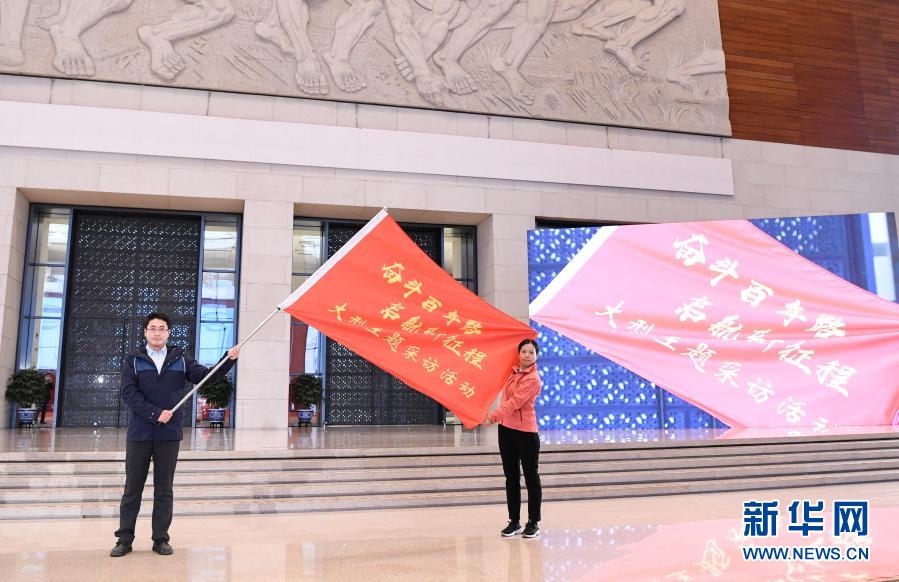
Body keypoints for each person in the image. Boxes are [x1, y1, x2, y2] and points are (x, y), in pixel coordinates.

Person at [110, 312, 240, 558]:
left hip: (168, 434)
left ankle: (160, 539)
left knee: (164, 489)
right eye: (152, 328)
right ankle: (124, 539)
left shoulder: (180, 359)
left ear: (168, 333)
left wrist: (228, 360)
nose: (157, 332)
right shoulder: (133, 360)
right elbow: (129, 393)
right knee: (132, 489)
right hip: (139, 433)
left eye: (162, 328)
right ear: (145, 332)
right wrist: (155, 413)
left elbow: (205, 378)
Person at [482, 338, 542, 539]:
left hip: (526, 433)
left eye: (531, 352)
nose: (527, 355)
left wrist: (492, 417)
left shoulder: (533, 379)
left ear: (536, 356)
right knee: (511, 478)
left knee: (531, 478)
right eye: (524, 351)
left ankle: (533, 523)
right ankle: (514, 521)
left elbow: (515, 402)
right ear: (518, 354)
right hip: (506, 430)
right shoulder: (512, 372)